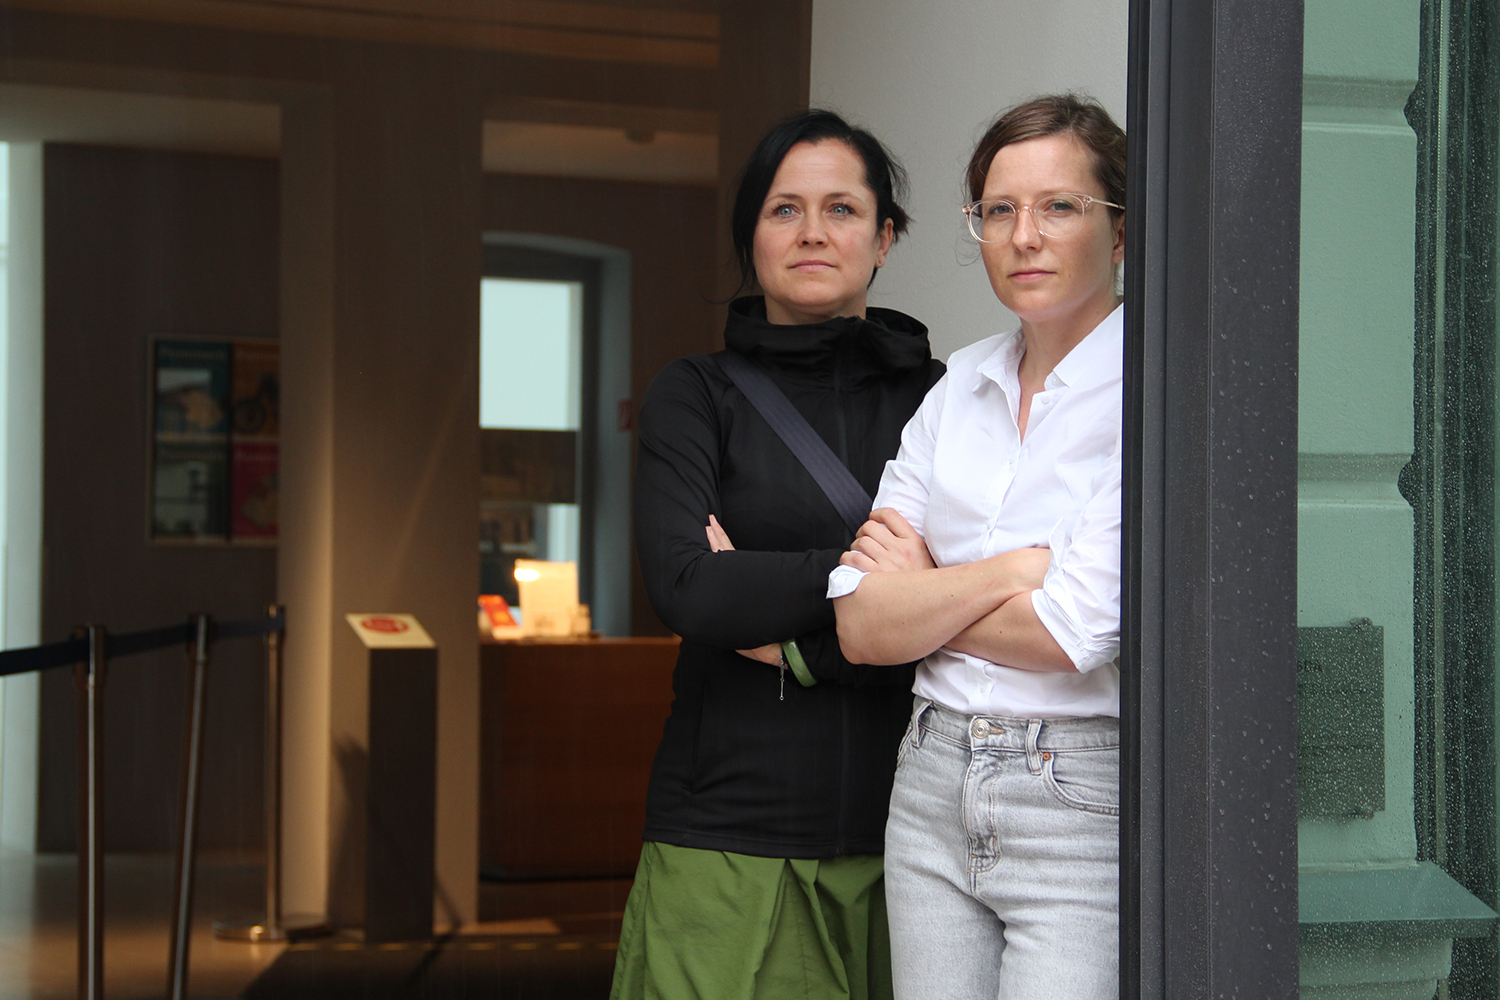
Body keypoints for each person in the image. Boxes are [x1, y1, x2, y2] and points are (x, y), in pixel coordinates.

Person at [609, 109, 944, 1000]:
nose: (811, 232)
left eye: (841, 208)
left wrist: (791, 636)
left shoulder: (950, 401)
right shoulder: (696, 394)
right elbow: (689, 589)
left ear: (885, 236)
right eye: (782, 209)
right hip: (726, 837)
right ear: (750, 237)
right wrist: (877, 586)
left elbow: (974, 618)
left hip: (914, 847)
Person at [828, 94, 1126, 1000]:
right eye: (999, 210)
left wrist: (925, 591)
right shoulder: (959, 383)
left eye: (1059, 206)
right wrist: (1001, 576)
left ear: (1121, 229)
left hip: (1077, 793)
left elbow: (1071, 632)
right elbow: (861, 625)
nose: (1024, 235)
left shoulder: (1152, 396)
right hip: (928, 779)